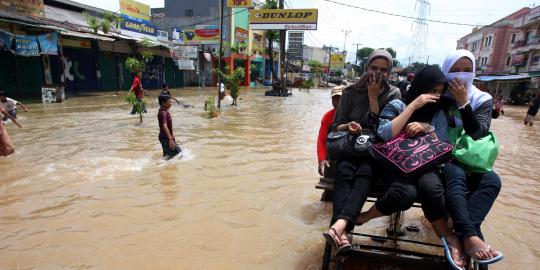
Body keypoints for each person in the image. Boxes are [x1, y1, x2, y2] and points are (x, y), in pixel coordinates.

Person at [355, 65, 465, 269]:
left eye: (440, 92)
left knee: (432, 189)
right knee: (404, 193)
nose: (435, 96)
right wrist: (413, 106)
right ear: (420, 87)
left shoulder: (438, 112)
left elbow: (442, 142)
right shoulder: (397, 104)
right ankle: (364, 218)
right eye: (432, 91)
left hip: (425, 164)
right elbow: (384, 134)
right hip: (394, 163)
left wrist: (427, 127)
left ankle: (448, 238)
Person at [323, 49, 400, 253]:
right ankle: (344, 231)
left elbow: (387, 130)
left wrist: (373, 97)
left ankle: (339, 228)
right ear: (365, 69)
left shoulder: (393, 93)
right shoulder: (349, 92)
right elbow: (335, 126)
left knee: (365, 172)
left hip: (376, 150)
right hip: (350, 146)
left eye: (383, 70)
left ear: (389, 73)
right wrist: (349, 126)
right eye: (373, 68)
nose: (377, 73)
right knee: (345, 172)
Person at [437, 49, 503, 266]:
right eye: (455, 70)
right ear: (446, 71)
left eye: (467, 70)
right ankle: (471, 237)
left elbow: (479, 133)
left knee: (493, 180)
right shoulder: (438, 94)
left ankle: (465, 233)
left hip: (470, 157)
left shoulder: (482, 99)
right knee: (456, 176)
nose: (461, 75)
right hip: (442, 159)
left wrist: (464, 103)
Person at [317, 86, 343, 176]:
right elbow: (321, 139)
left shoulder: (353, 114)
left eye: (340, 99)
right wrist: (321, 159)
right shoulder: (327, 116)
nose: (336, 102)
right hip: (332, 155)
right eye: (334, 99)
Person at [157, 94, 182, 160]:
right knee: (179, 154)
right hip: (166, 138)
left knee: (168, 157)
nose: (171, 103)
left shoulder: (162, 111)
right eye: (169, 101)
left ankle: (163, 169)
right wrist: (170, 139)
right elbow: (164, 125)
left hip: (164, 137)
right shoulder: (164, 113)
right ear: (163, 103)